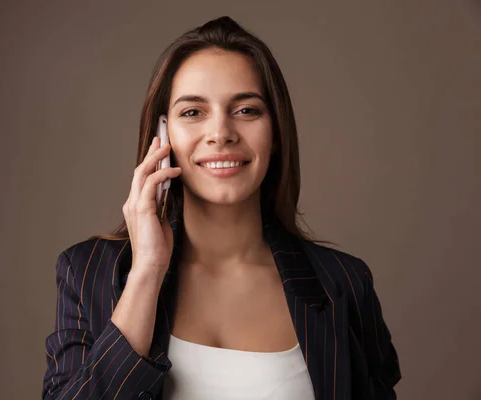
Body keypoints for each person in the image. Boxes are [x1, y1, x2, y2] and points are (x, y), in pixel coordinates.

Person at [41, 16, 401, 400]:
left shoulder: (343, 283)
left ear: (276, 132)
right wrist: (146, 272)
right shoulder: (89, 272)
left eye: (246, 110)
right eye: (193, 112)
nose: (221, 133)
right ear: (162, 136)